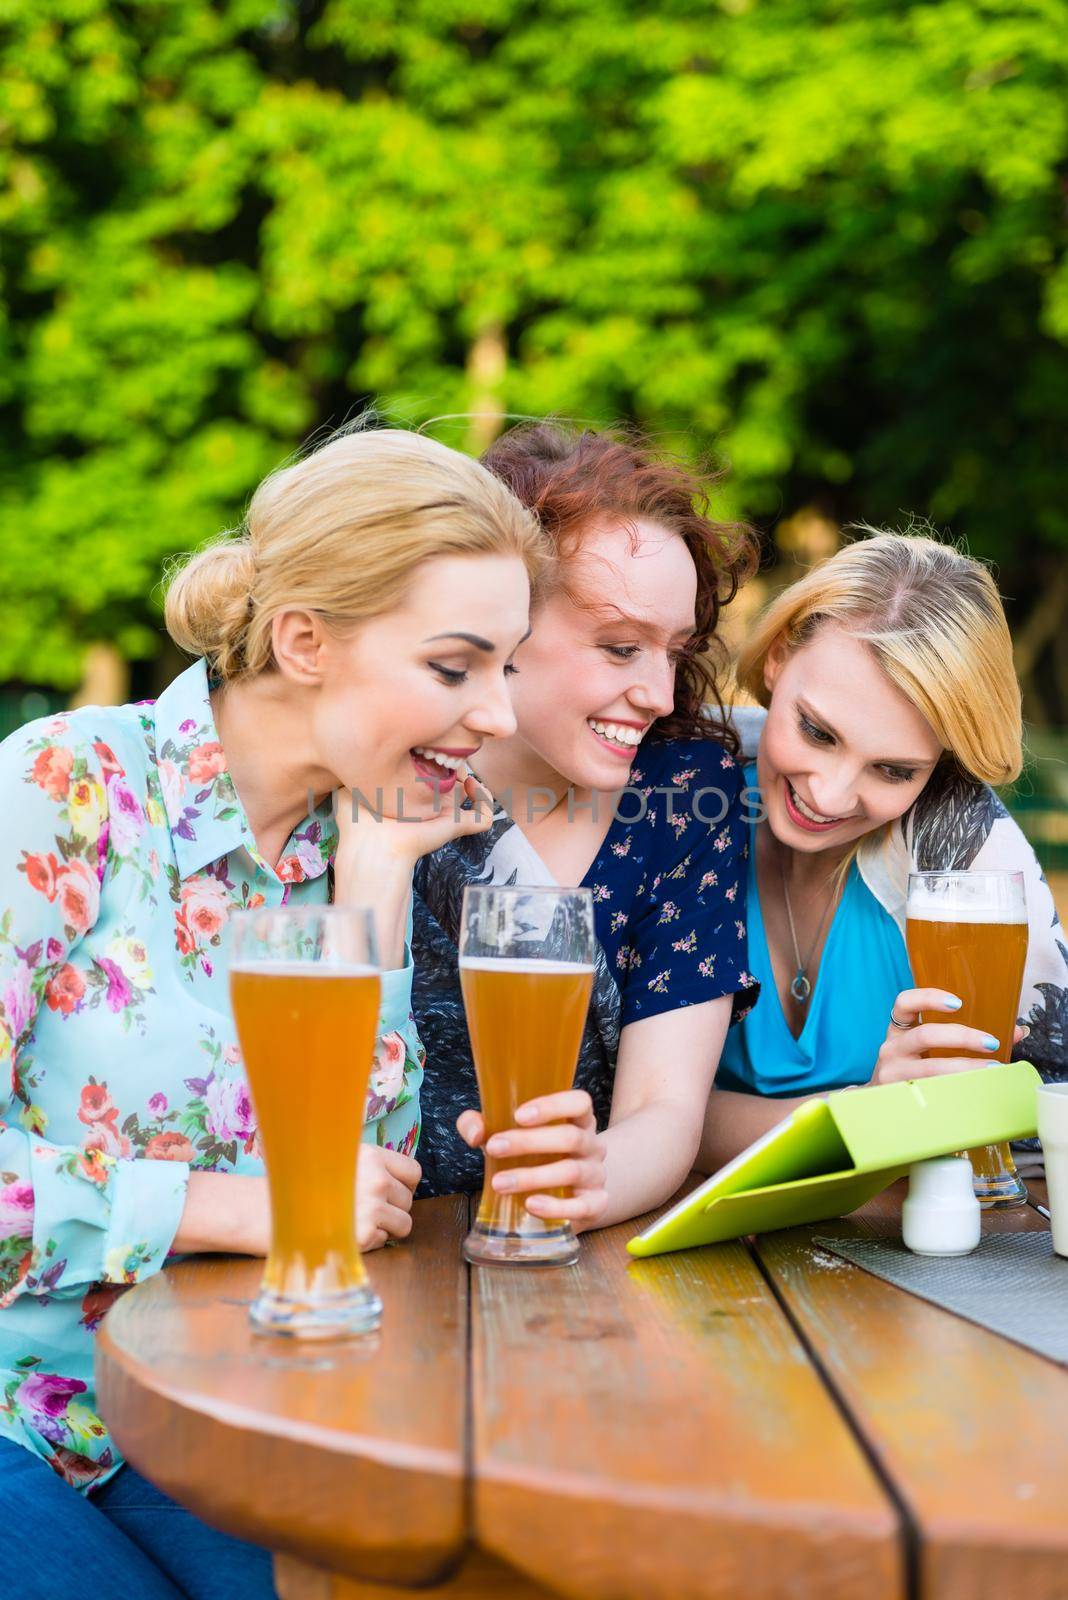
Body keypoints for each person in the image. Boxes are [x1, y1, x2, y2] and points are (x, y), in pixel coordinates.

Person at [0, 425, 545, 1600]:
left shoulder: (340, 845)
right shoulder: (65, 789)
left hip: (212, 1411)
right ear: (305, 641)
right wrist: (238, 1206)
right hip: (17, 1409)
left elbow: (364, 1189)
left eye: (510, 667)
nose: (501, 714)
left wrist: (379, 881)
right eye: (458, 668)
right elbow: (297, 1208)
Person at [412, 423, 760, 1228]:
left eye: (674, 650)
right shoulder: (398, 766)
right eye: (618, 647)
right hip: (382, 1243)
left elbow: (667, 1110)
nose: (661, 695)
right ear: (501, 620)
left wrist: (587, 1177)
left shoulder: (683, 792)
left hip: (579, 1259)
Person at [699, 530, 1068, 1171]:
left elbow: (1043, 1116)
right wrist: (869, 1114)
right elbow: (629, 1107)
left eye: (894, 770)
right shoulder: (686, 791)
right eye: (817, 732)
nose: (832, 795)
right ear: (780, 654)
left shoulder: (966, 846)